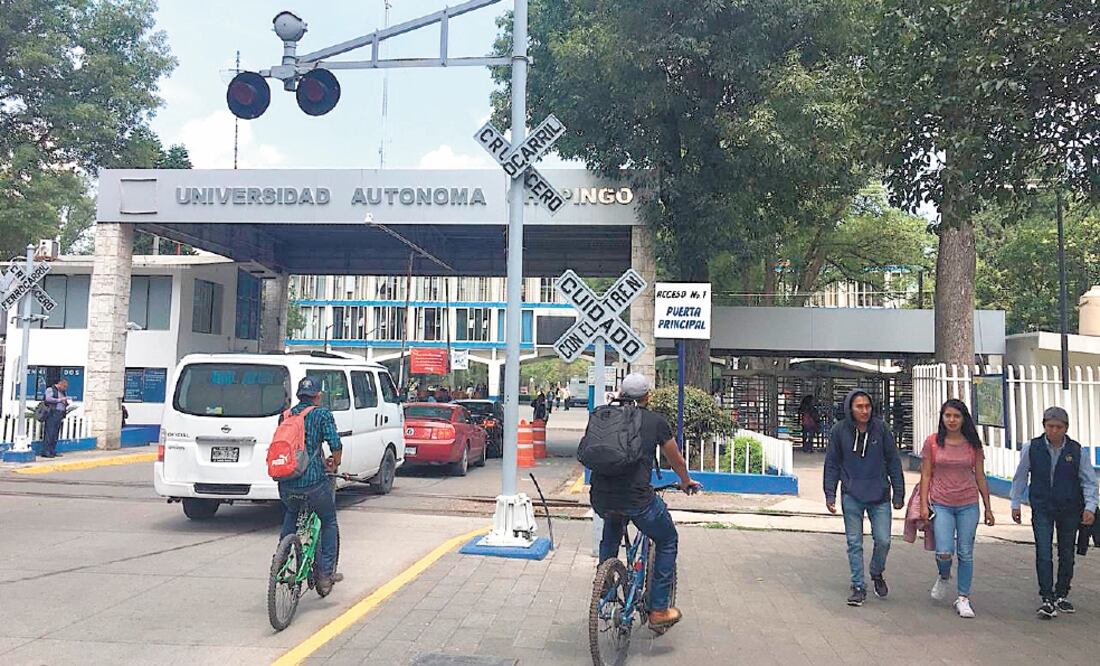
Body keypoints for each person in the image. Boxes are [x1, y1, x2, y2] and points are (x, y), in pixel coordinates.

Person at [591, 373, 701, 630]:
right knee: (667, 539)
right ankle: (659, 610)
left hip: (601, 496)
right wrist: (686, 481)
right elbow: (676, 460)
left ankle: (604, 580)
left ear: (620, 393)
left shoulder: (603, 415)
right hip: (638, 499)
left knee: (613, 525)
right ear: (647, 396)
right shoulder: (655, 421)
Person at [1010, 406, 1097, 619]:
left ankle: (1062, 593)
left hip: (1069, 508)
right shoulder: (1032, 448)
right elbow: (1021, 475)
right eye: (1050, 426)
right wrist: (1015, 502)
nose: (1054, 431)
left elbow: (1088, 481)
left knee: (1066, 552)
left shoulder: (1077, 451)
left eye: (1059, 427)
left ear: (1066, 428)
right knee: (1043, 551)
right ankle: (1047, 597)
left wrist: (1090, 507)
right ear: (1044, 426)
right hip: (1042, 506)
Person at [824, 390, 905, 607]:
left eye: (867, 406)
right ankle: (858, 586)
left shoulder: (882, 429)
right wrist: (830, 493)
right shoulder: (839, 431)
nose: (864, 410)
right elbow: (832, 464)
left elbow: (893, 461)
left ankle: (876, 572)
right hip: (852, 494)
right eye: (859, 406)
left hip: (879, 494)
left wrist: (898, 492)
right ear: (850, 408)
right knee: (854, 542)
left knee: (883, 540)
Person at [919, 399, 995, 619]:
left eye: (956, 416)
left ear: (964, 419)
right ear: (942, 418)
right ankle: (944, 575)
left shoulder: (973, 444)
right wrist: (923, 504)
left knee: (965, 552)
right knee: (944, 551)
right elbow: (926, 474)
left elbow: (980, 475)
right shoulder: (933, 442)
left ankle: (963, 597)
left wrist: (988, 507)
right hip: (941, 503)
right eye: (948, 416)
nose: (952, 420)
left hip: (968, 503)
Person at [277, 377, 343, 596]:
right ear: (318, 395)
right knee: (328, 521)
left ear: (299, 395)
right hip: (313, 483)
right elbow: (335, 444)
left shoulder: (286, 415)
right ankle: (325, 574)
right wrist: (335, 462)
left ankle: (280, 559)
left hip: (286, 482)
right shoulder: (322, 414)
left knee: (291, 512)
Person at [41, 378, 70, 458]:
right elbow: (48, 399)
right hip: (52, 413)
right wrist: (60, 400)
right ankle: (46, 451)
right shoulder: (50, 390)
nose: (65, 388)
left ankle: (52, 450)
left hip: (60, 413)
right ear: (60, 384)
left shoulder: (62, 392)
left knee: (55, 433)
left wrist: (65, 402)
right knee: (50, 432)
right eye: (64, 386)